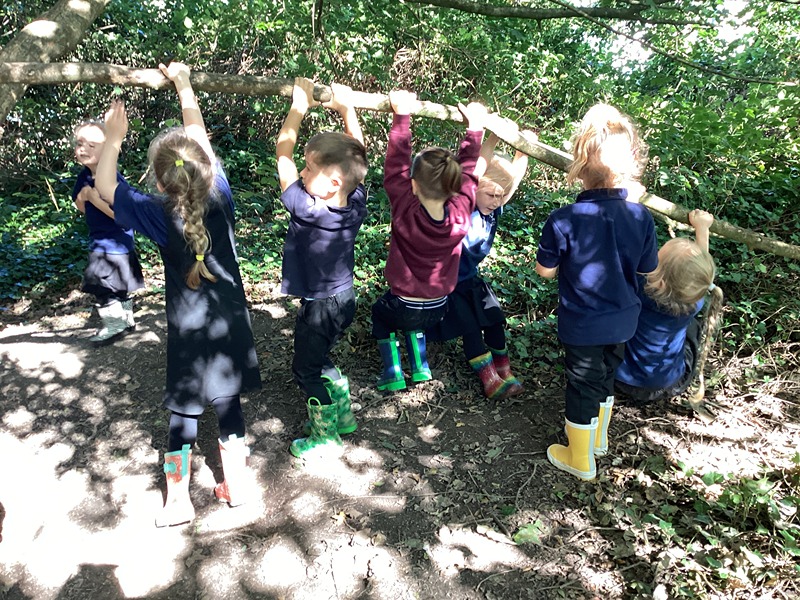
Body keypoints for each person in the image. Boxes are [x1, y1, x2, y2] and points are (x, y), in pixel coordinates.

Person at [94, 62, 262, 527]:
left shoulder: (156, 211)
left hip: (188, 330)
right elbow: (198, 138)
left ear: (159, 180)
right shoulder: (220, 193)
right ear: (206, 169)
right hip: (230, 321)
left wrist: (113, 138)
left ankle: (177, 503)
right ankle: (237, 486)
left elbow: (105, 186)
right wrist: (185, 84)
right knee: (228, 402)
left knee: (183, 412)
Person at [535, 103, 659, 481]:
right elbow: (647, 270)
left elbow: (544, 271)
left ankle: (581, 459)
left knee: (582, 385)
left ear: (580, 165)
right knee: (606, 374)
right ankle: (598, 440)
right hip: (623, 320)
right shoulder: (640, 216)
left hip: (583, 323)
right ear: (630, 165)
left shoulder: (563, 220)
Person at [276, 78, 368, 460]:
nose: (301, 171)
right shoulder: (355, 201)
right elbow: (358, 160)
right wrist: (348, 110)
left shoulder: (308, 208)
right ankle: (342, 414)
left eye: (308, 168)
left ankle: (325, 438)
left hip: (320, 306)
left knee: (306, 371)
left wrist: (298, 107)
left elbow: (282, 155)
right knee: (321, 355)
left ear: (332, 182)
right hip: (344, 299)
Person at [372, 90, 487, 392]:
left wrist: (401, 116)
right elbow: (470, 173)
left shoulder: (405, 208)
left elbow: (395, 166)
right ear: (455, 186)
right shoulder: (462, 210)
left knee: (380, 316)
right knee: (414, 322)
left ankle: (393, 372)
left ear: (412, 184)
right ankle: (420, 366)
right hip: (439, 306)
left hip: (403, 303)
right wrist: (475, 129)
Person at [427, 130, 532, 400]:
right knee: (470, 325)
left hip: (470, 278)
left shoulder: (493, 207)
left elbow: (513, 183)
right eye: (491, 194)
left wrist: (523, 150)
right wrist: (493, 137)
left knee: (494, 318)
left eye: (500, 196)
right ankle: (489, 379)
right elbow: (474, 170)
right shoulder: (465, 207)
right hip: (447, 281)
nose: (497, 201)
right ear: (474, 190)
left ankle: (504, 370)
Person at [615, 209, 723, 404]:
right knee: (692, 326)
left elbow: (624, 249)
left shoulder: (639, 290)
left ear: (660, 280)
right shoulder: (693, 303)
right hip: (672, 384)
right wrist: (702, 229)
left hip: (623, 381)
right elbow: (698, 276)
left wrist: (629, 208)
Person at [72, 119, 144, 344]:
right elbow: (81, 207)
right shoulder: (83, 176)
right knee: (115, 287)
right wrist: (83, 198)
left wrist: (95, 199)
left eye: (91, 145)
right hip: (101, 240)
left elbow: (121, 216)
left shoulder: (114, 179)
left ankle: (116, 325)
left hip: (114, 243)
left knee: (103, 287)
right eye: (79, 143)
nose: (83, 149)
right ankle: (126, 320)